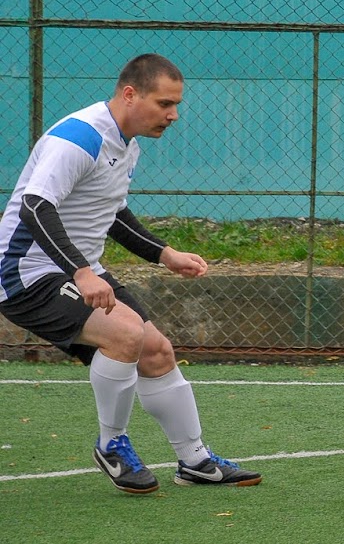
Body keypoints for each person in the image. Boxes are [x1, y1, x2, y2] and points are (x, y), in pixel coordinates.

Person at [0, 54, 262, 494]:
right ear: (130, 94)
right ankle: (111, 445)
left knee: (157, 351)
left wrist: (165, 254)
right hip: (24, 272)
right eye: (164, 103)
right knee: (125, 336)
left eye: (175, 104)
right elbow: (35, 205)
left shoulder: (127, 143)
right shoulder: (79, 137)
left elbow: (112, 213)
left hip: (73, 268)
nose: (173, 114)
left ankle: (194, 461)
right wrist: (82, 272)